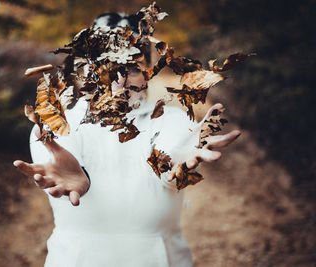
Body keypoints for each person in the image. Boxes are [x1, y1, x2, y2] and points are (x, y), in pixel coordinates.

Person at [13, 12, 241, 267]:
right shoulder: (59, 123)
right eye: (107, 66)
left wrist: (174, 163)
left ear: (148, 71)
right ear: (88, 68)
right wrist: (77, 180)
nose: (119, 80)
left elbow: (175, 148)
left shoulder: (172, 119)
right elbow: (58, 155)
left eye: (132, 68)